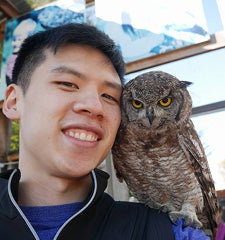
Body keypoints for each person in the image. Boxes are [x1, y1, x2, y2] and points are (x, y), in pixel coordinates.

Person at [0, 23, 210, 240]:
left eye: (110, 97)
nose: (94, 106)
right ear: (14, 101)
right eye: (67, 83)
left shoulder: (168, 233)